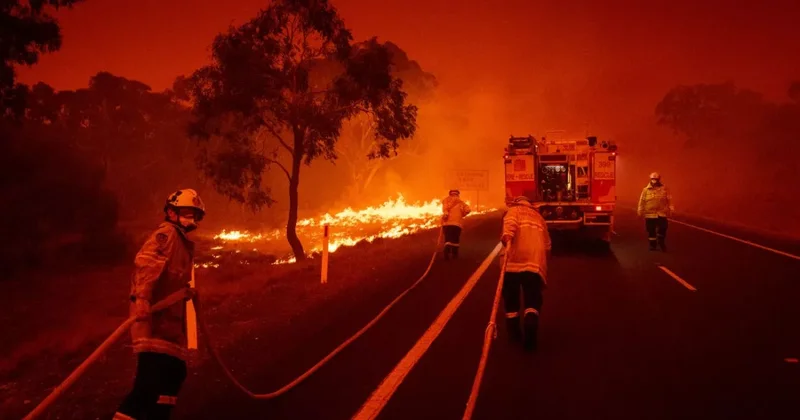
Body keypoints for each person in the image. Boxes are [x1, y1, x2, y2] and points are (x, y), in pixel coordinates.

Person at [114, 189, 206, 420]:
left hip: (169, 325)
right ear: (171, 212)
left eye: (195, 214)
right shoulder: (167, 235)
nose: (191, 218)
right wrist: (142, 300)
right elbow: (147, 265)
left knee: (174, 374)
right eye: (187, 212)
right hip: (153, 322)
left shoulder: (182, 241)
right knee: (148, 385)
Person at [500, 195, 551, 351]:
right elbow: (547, 245)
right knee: (532, 297)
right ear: (529, 204)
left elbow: (510, 226)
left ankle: (514, 333)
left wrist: (507, 236)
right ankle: (530, 321)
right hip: (534, 262)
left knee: (511, 297)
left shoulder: (513, 211)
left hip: (513, 262)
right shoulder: (539, 217)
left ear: (517, 203)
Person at [637, 172, 674, 251]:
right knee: (651, 230)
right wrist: (640, 210)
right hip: (650, 214)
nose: (654, 180)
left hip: (661, 213)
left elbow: (669, 199)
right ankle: (652, 245)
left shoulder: (664, 189)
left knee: (663, 228)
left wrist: (671, 208)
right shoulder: (645, 190)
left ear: (659, 179)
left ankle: (661, 242)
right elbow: (642, 201)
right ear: (650, 179)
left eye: (655, 179)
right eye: (652, 179)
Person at [441, 189, 471, 260]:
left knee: (448, 238)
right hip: (457, 224)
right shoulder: (461, 202)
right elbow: (468, 210)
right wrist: (463, 214)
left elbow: (445, 209)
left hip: (447, 224)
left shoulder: (446, 200)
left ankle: (447, 250)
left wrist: (445, 215)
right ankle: (454, 254)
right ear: (458, 194)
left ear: (450, 194)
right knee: (455, 239)